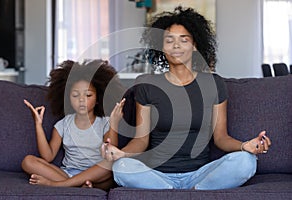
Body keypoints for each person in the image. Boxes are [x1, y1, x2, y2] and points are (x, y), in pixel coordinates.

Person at [102, 6, 271, 190]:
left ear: (195, 45)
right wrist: (121, 154)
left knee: (246, 161)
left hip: (200, 174)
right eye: (169, 40)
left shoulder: (213, 84)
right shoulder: (147, 85)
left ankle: (193, 191)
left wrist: (246, 146)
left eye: (184, 40)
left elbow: (221, 138)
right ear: (161, 46)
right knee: (121, 167)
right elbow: (141, 141)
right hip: (158, 175)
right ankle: (175, 192)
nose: (176, 46)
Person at [21, 59, 126, 191]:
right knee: (28, 161)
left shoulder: (104, 122)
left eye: (88, 95)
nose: (81, 100)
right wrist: (38, 124)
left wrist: (114, 124)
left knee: (109, 164)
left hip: (97, 176)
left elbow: (110, 153)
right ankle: (79, 185)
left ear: (98, 99)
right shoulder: (63, 125)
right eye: (75, 95)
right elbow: (48, 156)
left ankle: (59, 185)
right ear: (68, 99)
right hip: (67, 173)